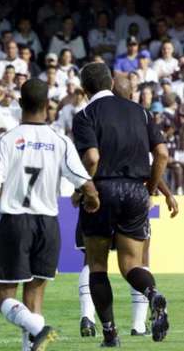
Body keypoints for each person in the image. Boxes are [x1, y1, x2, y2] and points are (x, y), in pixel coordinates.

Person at [0, 78, 100, 351]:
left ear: (20, 103)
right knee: (34, 295)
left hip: (16, 220)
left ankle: (39, 328)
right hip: (48, 224)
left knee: (2, 297)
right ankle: (33, 343)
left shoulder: (7, 140)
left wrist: (9, 202)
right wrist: (92, 200)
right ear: (48, 106)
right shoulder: (59, 141)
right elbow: (86, 182)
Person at [74, 74, 179, 338]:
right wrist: (154, 188)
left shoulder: (86, 113)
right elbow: (163, 154)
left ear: (83, 88)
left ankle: (109, 333)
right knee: (132, 264)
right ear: (109, 84)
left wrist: (82, 188)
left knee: (97, 265)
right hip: (135, 191)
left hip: (101, 190)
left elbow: (92, 158)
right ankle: (153, 294)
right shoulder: (140, 112)